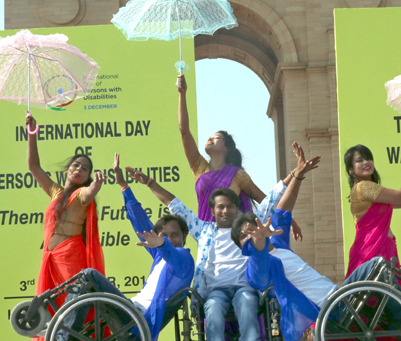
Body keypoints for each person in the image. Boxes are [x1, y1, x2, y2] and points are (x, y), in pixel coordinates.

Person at [137, 141, 319, 341]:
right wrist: (150, 183)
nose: (225, 210)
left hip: (245, 288)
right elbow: (175, 205)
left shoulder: (247, 228)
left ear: (237, 208)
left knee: (247, 302)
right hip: (215, 291)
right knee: (213, 308)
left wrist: (294, 174)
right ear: (213, 210)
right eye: (220, 207)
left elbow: (272, 200)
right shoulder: (204, 230)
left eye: (230, 206)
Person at [56, 154, 194, 341]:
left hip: (138, 321)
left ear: (184, 237)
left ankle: (61, 336)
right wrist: (123, 186)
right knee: (86, 281)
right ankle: (61, 329)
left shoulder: (184, 260)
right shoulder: (160, 255)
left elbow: (171, 254)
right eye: (165, 234)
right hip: (129, 310)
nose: (170, 238)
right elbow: (140, 222)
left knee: (90, 274)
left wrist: (162, 243)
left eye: (175, 234)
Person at [176, 74, 303, 241]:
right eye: (210, 137)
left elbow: (267, 201)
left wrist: (290, 220)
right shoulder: (199, 167)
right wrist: (182, 94)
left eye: (216, 138)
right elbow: (184, 132)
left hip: (233, 239)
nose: (210, 139)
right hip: (207, 237)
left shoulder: (237, 174)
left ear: (227, 148)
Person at [230, 144, 325, 341]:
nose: (252, 235)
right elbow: (259, 261)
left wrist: (297, 176)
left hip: (339, 295)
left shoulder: (278, 244)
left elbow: (283, 208)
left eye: (253, 229)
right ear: (243, 248)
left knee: (377, 267)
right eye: (245, 236)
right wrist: (258, 242)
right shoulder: (257, 270)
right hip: (324, 314)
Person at [26, 112, 106, 324]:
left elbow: (89, 193)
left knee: (71, 309)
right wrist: (32, 134)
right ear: (68, 168)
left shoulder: (80, 196)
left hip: (70, 257)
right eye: (76, 165)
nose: (79, 169)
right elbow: (34, 167)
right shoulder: (56, 192)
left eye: (84, 168)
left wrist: (95, 185)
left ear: (87, 175)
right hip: (50, 258)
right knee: (53, 313)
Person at [343, 144, 401, 284]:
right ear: (350, 169)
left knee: (386, 300)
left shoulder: (372, 191)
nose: (366, 162)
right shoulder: (363, 187)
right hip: (371, 250)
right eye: (359, 160)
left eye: (368, 159)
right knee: (379, 300)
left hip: (383, 248)